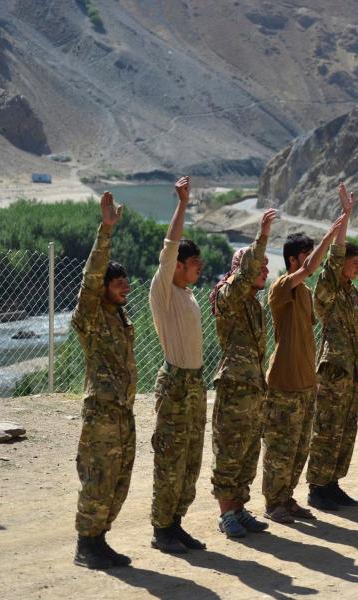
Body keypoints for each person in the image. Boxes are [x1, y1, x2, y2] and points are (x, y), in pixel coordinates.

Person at [263, 213, 347, 523]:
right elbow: (312, 268)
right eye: (305, 254)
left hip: (304, 383)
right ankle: (273, 502)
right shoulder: (282, 287)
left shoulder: (307, 294)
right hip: (284, 382)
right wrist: (330, 236)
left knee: (298, 448)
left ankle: (287, 497)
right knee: (280, 449)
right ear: (292, 259)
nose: (309, 261)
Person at [72, 192, 136, 569]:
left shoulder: (120, 319)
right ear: (103, 289)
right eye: (118, 285)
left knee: (118, 479)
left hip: (121, 412)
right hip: (101, 413)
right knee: (98, 478)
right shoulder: (92, 317)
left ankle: (99, 539)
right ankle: (86, 544)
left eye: (126, 283)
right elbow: (91, 276)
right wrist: (106, 230)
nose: (124, 288)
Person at [149, 176, 208, 554]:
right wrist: (182, 205)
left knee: (190, 460)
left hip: (195, 385)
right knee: (170, 458)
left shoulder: (187, 296)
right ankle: (161, 529)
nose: (198, 268)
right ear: (177, 267)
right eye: (193, 263)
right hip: (175, 384)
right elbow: (169, 248)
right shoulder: (164, 292)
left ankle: (176, 522)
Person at [209, 208, 276, 537]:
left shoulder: (254, 304)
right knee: (230, 449)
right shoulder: (228, 296)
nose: (264, 270)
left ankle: (239, 508)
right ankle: (226, 514)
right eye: (258, 266)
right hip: (235, 386)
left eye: (265, 267)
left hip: (253, 388)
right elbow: (244, 276)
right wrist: (262, 238)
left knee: (248, 450)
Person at [306, 185, 358, 510]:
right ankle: (317, 487)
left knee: (346, 429)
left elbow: (356, 337)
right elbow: (332, 260)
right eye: (353, 262)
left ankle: (333, 483)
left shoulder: (353, 295)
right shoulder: (328, 292)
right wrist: (345, 217)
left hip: (352, 372)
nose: (357, 267)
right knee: (327, 429)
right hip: (332, 373)